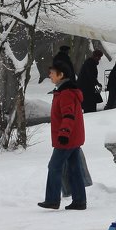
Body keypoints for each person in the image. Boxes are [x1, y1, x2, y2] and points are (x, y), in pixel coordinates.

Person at [39, 61, 87, 210]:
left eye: (52, 73)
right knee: (74, 169)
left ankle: (52, 200)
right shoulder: (64, 91)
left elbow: (68, 116)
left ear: (61, 75)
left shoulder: (66, 93)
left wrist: (64, 133)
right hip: (73, 138)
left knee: (54, 167)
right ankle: (79, 201)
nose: (50, 75)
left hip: (66, 139)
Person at [77, 49, 103, 113]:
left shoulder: (90, 62)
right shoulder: (90, 63)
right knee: (89, 106)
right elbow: (91, 76)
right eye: (99, 57)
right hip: (86, 88)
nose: (99, 59)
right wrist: (97, 84)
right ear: (96, 57)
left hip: (86, 87)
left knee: (88, 105)